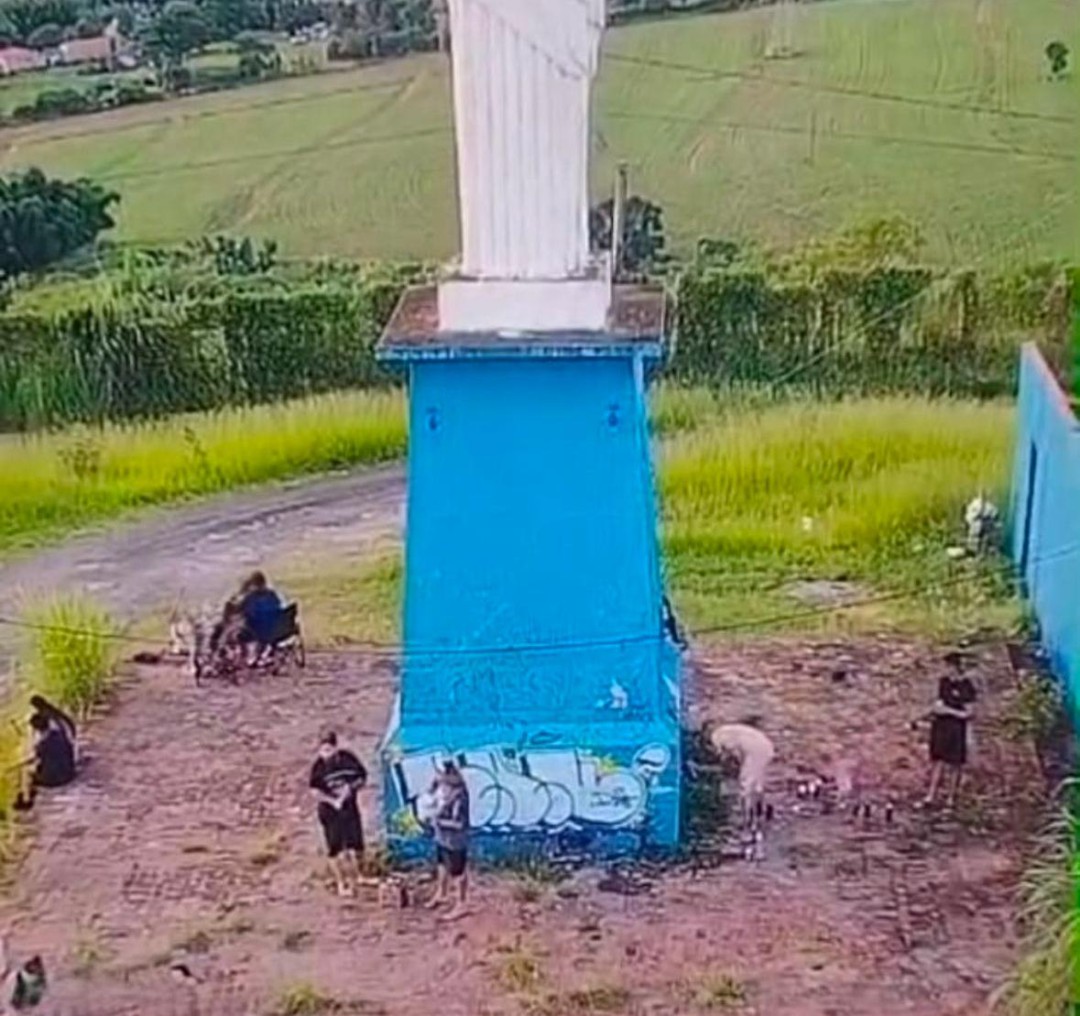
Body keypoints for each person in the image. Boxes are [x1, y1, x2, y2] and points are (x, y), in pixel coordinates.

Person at [308, 732, 367, 897]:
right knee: (335, 848)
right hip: (329, 812)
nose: (325, 754)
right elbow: (314, 790)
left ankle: (359, 876)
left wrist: (351, 789)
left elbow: (362, 777)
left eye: (328, 750)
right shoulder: (318, 767)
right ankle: (341, 883)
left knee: (356, 844)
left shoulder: (348, 759)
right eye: (322, 750)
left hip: (349, 808)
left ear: (335, 748)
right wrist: (332, 801)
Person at [923, 651, 977, 808]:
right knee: (938, 761)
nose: (944, 669)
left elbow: (969, 713)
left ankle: (951, 798)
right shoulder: (944, 682)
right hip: (941, 726)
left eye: (947, 666)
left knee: (955, 764)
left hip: (956, 728)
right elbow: (939, 703)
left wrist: (948, 711)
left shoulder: (966, 687)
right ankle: (931, 796)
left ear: (954, 667)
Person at [707, 721, 775, 831]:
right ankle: (761, 811)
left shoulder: (718, 738)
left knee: (745, 785)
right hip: (765, 747)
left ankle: (747, 819)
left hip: (755, 750)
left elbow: (731, 754)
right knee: (757, 784)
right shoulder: (724, 732)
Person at [426, 761, 470, 920]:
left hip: (455, 839)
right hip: (442, 836)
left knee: (457, 871)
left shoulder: (459, 796)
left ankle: (461, 903)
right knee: (442, 864)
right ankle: (441, 893)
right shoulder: (442, 788)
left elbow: (460, 823)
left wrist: (439, 822)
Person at [14, 713, 76, 812]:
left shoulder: (43, 744)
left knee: (25, 771)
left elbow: (32, 758)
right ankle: (28, 792)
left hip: (55, 779)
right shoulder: (59, 734)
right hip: (69, 773)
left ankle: (26, 800)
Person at [238, 571, 284, 665]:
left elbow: (242, 611)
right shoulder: (272, 594)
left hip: (257, 631)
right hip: (275, 630)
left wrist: (243, 590)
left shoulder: (251, 597)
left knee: (240, 635)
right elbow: (279, 607)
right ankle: (266, 653)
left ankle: (244, 656)